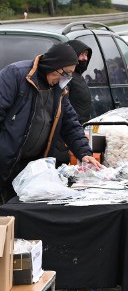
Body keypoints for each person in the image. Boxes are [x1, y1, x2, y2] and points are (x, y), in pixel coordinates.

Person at [0, 43, 102, 203]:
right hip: (5, 160)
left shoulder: (59, 90)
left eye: (70, 75)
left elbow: (70, 123)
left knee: (20, 215)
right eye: (65, 73)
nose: (66, 78)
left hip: (30, 167)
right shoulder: (15, 75)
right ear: (53, 65)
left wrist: (84, 152)